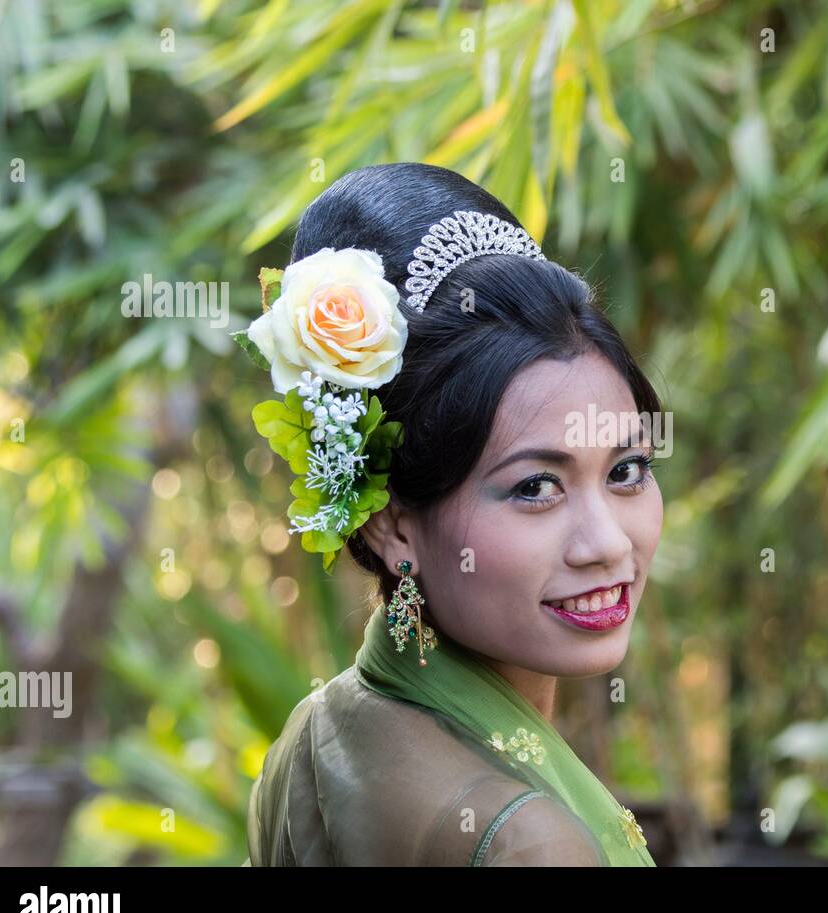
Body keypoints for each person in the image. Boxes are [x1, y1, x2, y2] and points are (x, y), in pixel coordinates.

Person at [242, 162, 664, 866]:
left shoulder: (312, 739)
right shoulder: (528, 843)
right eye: (536, 487)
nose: (607, 543)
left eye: (626, 472)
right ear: (392, 525)